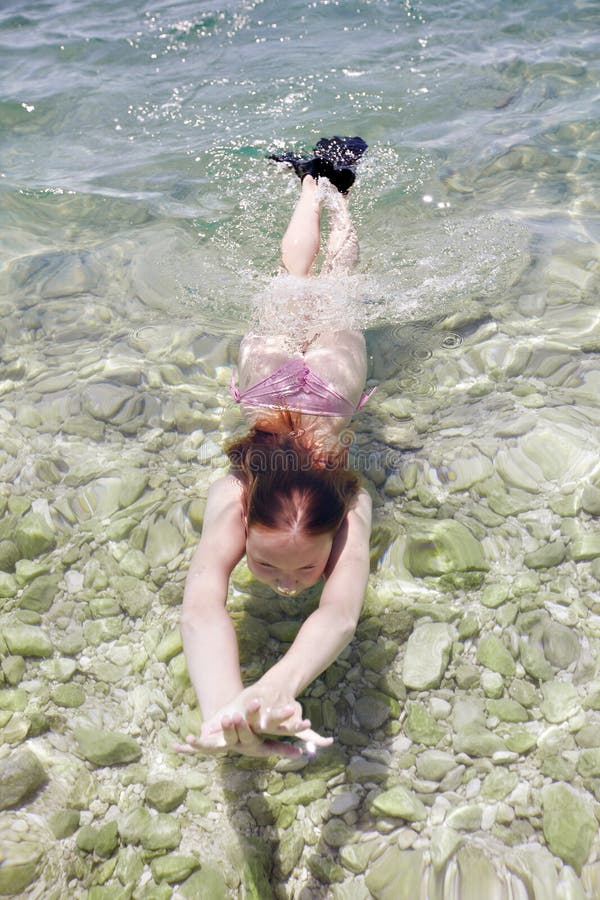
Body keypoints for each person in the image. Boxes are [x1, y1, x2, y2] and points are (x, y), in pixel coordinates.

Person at [175, 137, 374, 760]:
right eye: (269, 568)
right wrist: (227, 711)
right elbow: (203, 610)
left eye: (302, 571)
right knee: (323, 287)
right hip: (303, 387)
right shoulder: (252, 498)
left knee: (307, 285)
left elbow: (334, 615)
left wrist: (270, 687)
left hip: (303, 385)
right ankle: (327, 188)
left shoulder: (331, 502)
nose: (289, 585)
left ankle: (321, 188)